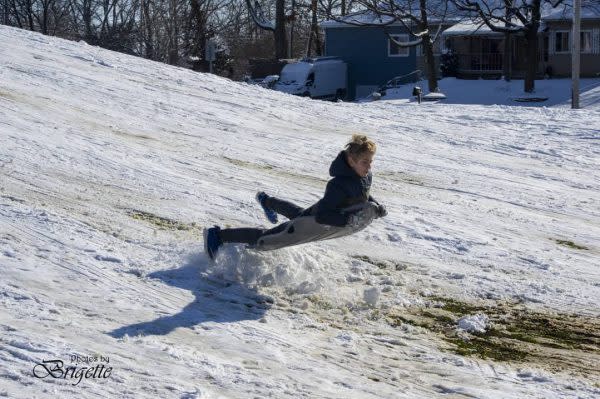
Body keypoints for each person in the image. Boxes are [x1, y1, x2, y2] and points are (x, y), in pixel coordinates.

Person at [204, 134, 387, 260]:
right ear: (351, 161)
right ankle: (217, 235)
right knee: (269, 236)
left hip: (313, 217)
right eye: (365, 162)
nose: (369, 167)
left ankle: (266, 201)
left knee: (297, 213)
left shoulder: (364, 176)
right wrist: (347, 220)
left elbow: (364, 194)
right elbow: (323, 215)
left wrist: (376, 205)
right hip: (314, 220)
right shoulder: (337, 185)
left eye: (371, 161)